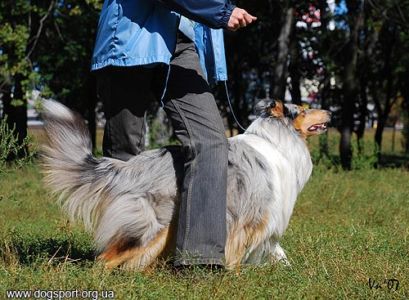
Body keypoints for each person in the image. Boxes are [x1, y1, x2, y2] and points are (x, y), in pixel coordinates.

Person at [91, 0, 256, 268]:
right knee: (124, 154)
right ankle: (121, 255)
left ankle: (199, 261)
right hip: (130, 32)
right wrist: (222, 12)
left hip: (182, 42)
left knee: (212, 142)